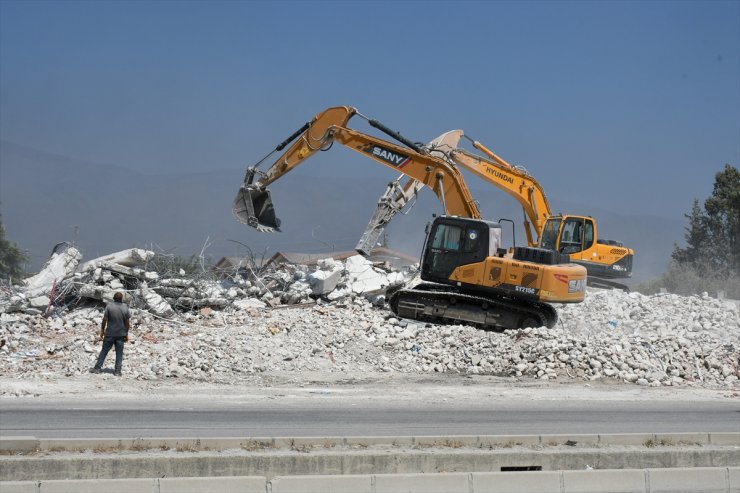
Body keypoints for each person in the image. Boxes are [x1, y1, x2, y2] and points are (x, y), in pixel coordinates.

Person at [90, 292, 131, 376]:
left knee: (104, 351)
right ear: (121, 299)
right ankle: (117, 371)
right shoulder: (125, 307)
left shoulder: (109, 306)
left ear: (113, 298)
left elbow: (104, 319)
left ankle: (97, 368)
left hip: (110, 333)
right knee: (119, 353)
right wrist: (126, 333)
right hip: (120, 334)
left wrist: (102, 330)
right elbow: (127, 323)